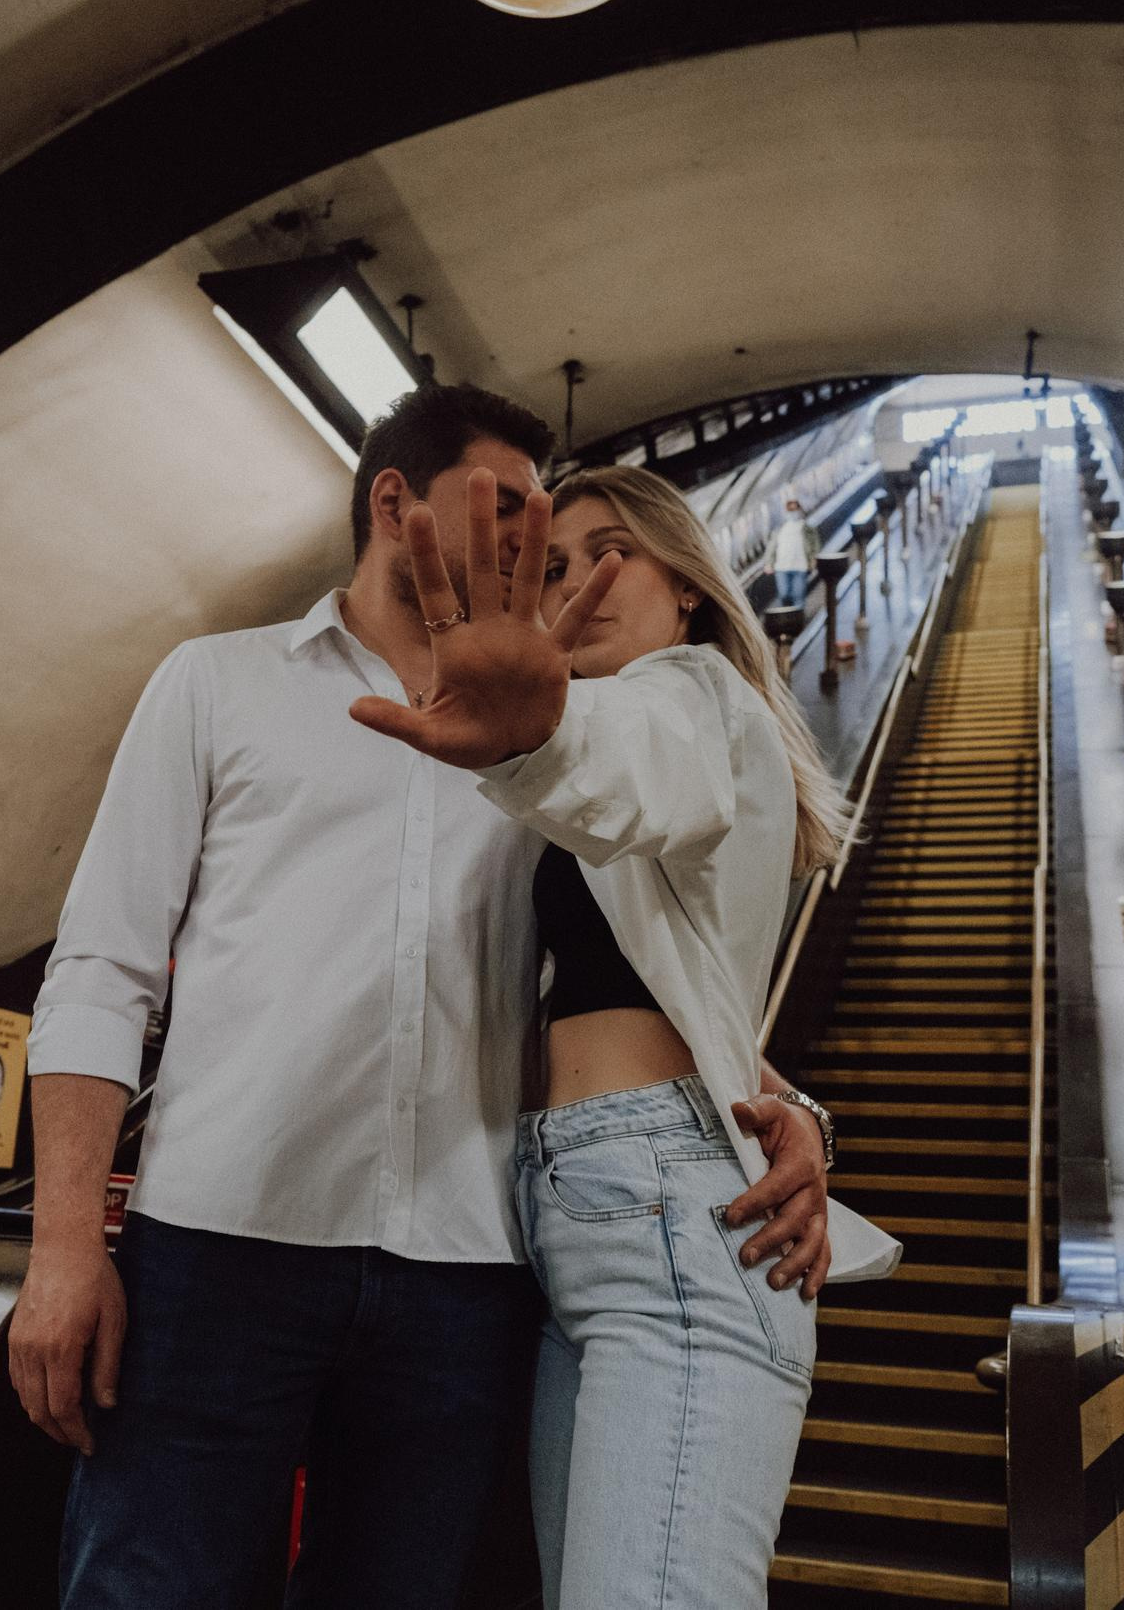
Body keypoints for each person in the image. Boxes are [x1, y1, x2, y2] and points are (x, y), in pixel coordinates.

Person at [6, 382, 841, 1610]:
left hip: (470, 1268)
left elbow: (659, 944)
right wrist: (64, 1245)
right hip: (224, 1241)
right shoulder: (216, 683)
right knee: (148, 1590)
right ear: (393, 502)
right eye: (508, 511)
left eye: (553, 533)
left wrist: (784, 1110)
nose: (526, 547)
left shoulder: (560, 727)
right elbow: (99, 971)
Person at [350, 463, 901, 1610]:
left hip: (669, 1216)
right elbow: (666, 985)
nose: (581, 582)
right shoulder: (617, 744)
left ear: (687, 586)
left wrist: (531, 735)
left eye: (612, 553)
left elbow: (627, 772)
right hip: (580, 1220)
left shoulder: (691, 696)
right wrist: (796, 1108)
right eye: (553, 565)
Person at [768, 496, 818, 607]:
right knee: (784, 594)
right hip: (781, 567)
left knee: (798, 595)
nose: (793, 513)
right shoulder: (780, 529)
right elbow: (772, 547)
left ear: (800, 510)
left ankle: (798, 621)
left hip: (800, 566)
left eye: (795, 510)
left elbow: (815, 545)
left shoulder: (807, 529)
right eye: (790, 510)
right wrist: (769, 563)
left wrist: (813, 559)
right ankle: (786, 619)